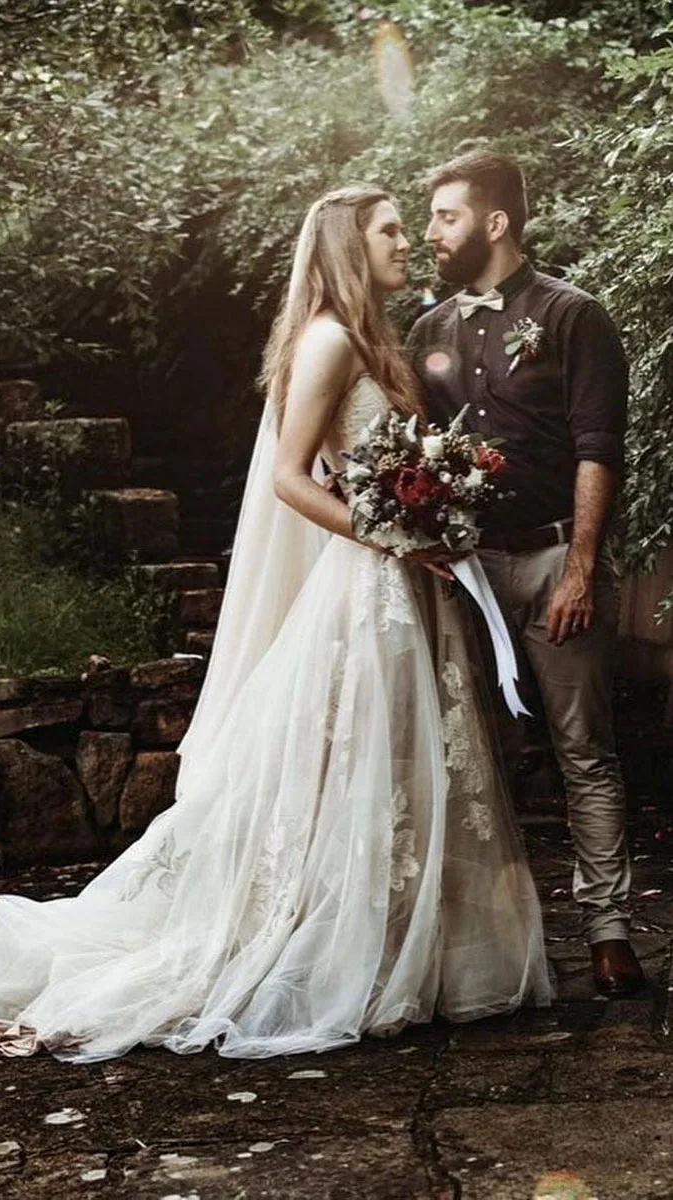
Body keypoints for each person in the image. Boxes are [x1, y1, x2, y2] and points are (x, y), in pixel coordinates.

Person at [0, 184, 551, 1095]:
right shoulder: (326, 340)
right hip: (367, 592)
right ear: (352, 246)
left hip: (411, 589)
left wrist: (436, 508)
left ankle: (409, 949)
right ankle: (336, 949)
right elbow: (288, 480)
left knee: (404, 771)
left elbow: (384, 467)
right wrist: (395, 533)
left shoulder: (381, 342)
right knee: (357, 772)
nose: (405, 242)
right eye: (391, 229)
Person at [405, 149, 644, 998]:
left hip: (554, 561)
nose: (431, 233)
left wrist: (579, 568)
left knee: (584, 748)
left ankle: (610, 931)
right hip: (465, 573)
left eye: (446, 216)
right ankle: (498, 942)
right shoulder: (427, 331)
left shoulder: (575, 316)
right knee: (476, 756)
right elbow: (411, 457)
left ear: (496, 223)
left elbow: (598, 448)